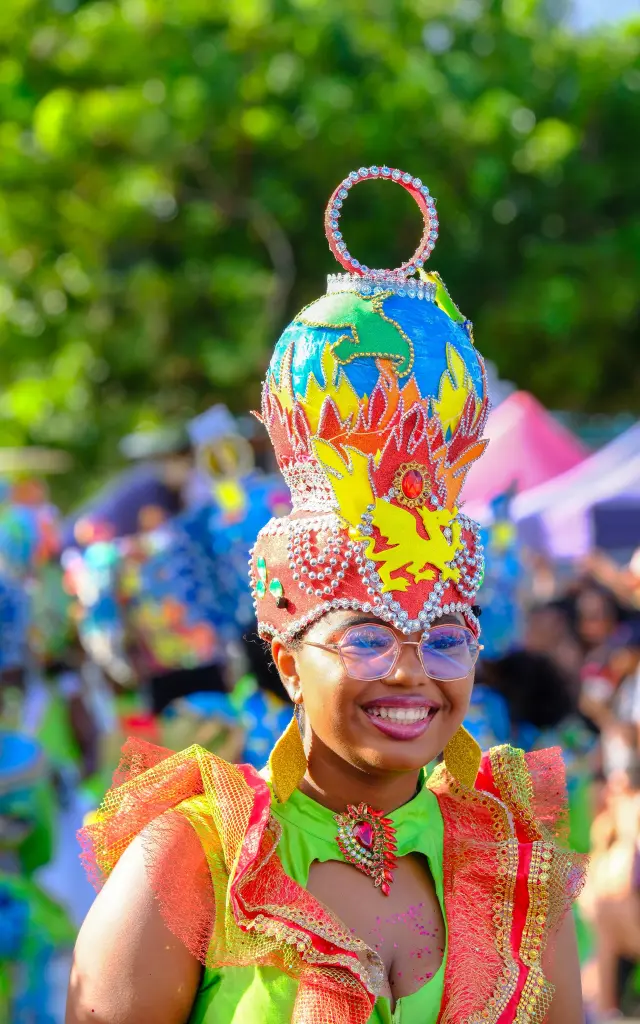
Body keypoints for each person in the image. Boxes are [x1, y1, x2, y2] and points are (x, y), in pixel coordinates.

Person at [66, 167, 586, 1024]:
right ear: (287, 660)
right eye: (369, 638)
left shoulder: (514, 871)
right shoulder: (193, 862)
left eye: (446, 636)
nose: (414, 674)